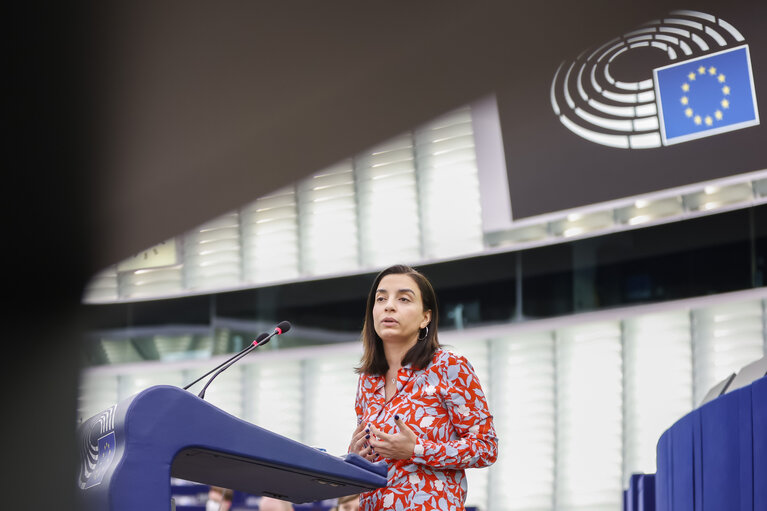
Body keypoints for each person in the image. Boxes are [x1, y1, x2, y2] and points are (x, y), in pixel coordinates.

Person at [349, 264, 498, 511]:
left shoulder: (449, 366)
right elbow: (371, 457)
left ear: (425, 317)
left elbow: (486, 447)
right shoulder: (367, 379)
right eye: (381, 298)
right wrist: (355, 456)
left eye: (404, 299)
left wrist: (415, 450)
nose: (389, 306)